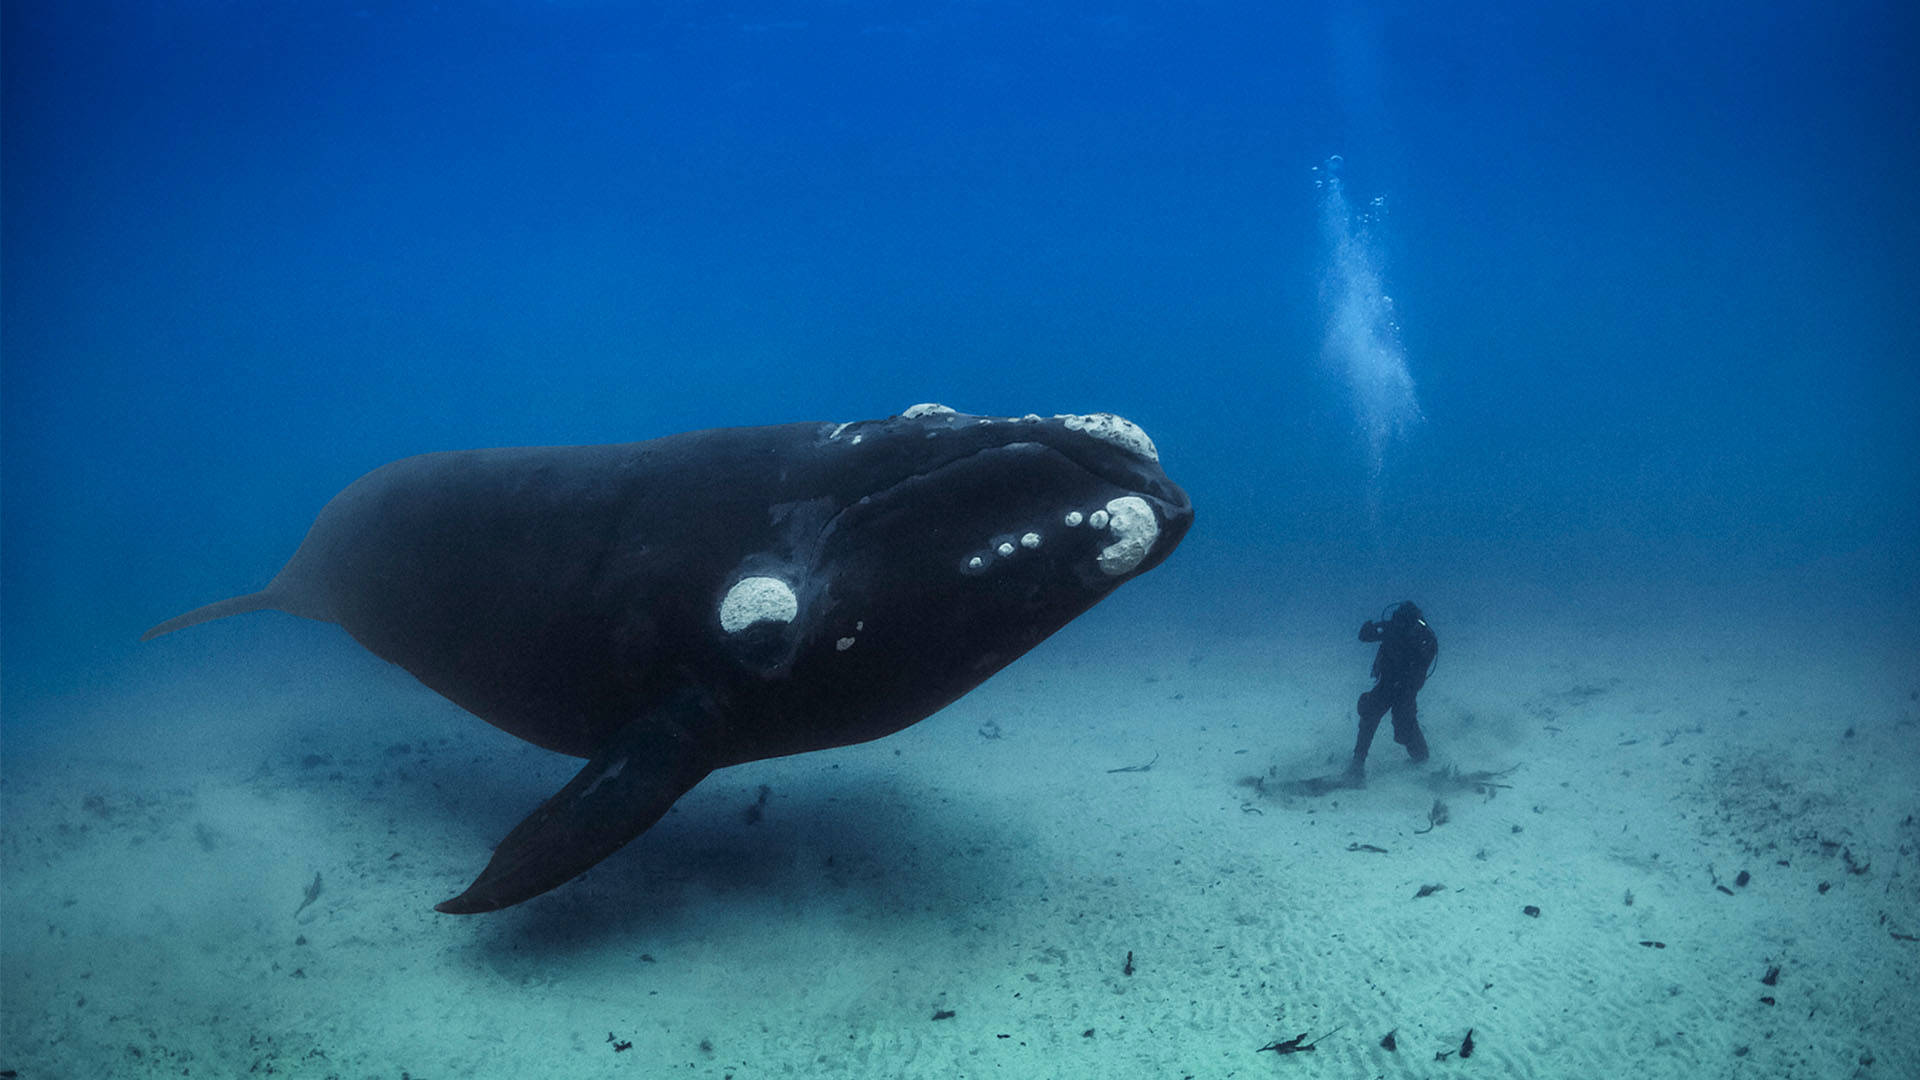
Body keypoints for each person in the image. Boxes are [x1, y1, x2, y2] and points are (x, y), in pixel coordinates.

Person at [1346, 601, 1438, 782]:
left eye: (1404, 624)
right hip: (1388, 683)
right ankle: (1357, 764)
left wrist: (1411, 649)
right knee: (1369, 714)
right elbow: (1365, 636)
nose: (1401, 627)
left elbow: (1424, 662)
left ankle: (1421, 758)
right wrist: (1370, 628)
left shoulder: (1425, 637)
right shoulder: (1392, 628)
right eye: (1398, 622)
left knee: (1404, 723)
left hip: (1406, 688)